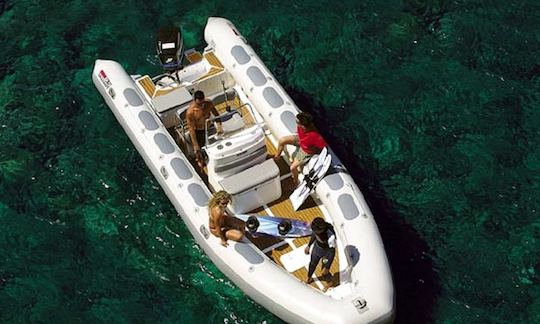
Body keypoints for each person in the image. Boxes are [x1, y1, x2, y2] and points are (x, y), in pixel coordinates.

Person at [274, 112, 326, 185]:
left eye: (297, 122)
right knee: (282, 140)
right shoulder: (300, 127)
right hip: (300, 141)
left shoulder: (315, 136)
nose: (296, 123)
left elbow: (322, 146)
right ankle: (277, 157)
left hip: (306, 151)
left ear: (303, 125)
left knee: (293, 167)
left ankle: (295, 181)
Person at [186, 90, 222, 168]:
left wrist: (219, 127)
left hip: (209, 128)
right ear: (194, 100)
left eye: (202, 102)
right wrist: (196, 145)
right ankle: (199, 160)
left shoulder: (208, 103)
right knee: (199, 152)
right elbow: (191, 129)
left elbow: (217, 115)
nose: (201, 105)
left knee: (216, 146)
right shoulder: (190, 112)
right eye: (199, 104)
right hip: (198, 132)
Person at [304, 217, 336, 284]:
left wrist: (327, 267)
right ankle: (309, 278)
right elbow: (314, 234)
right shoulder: (316, 228)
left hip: (326, 255)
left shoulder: (331, 236)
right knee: (312, 264)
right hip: (316, 250)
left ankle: (330, 282)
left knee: (324, 270)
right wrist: (309, 245)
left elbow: (332, 252)